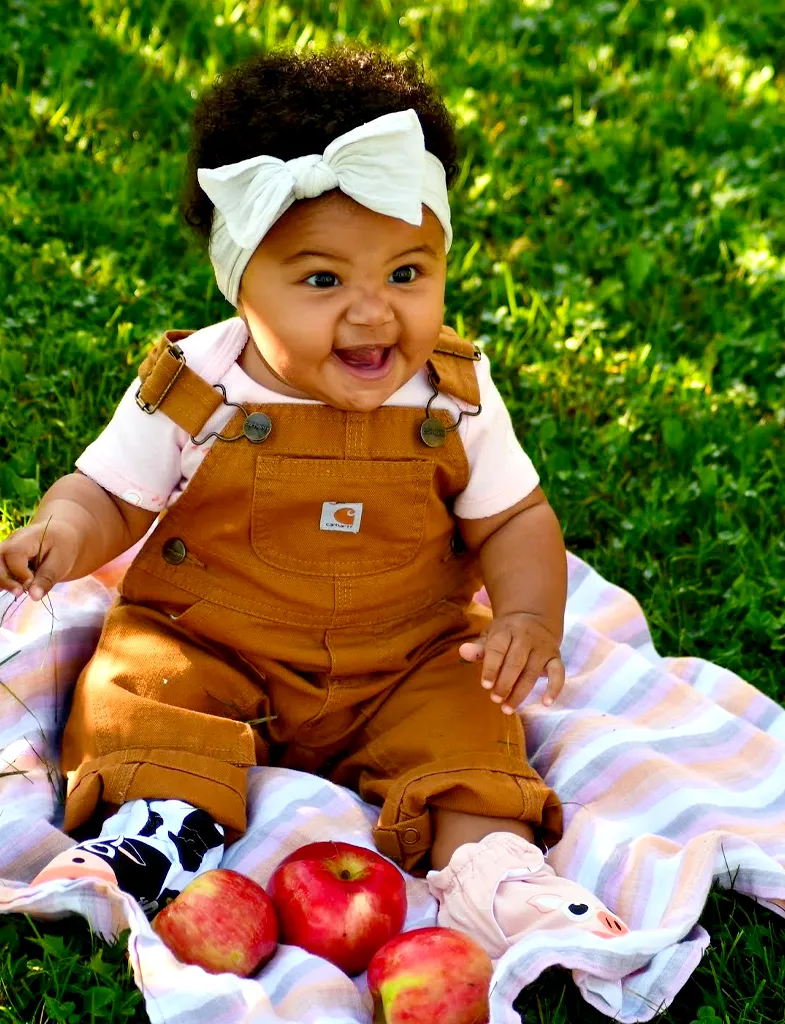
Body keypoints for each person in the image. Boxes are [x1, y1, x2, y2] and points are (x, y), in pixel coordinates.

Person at [0, 48, 628, 949]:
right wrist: (65, 529)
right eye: (323, 281)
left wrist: (526, 616)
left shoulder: (455, 394)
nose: (374, 316)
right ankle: (158, 834)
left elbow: (516, 517)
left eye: (407, 274)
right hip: (213, 640)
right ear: (240, 282)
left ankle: (491, 866)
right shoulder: (196, 386)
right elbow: (109, 492)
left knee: (470, 721)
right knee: (137, 682)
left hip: (401, 655)